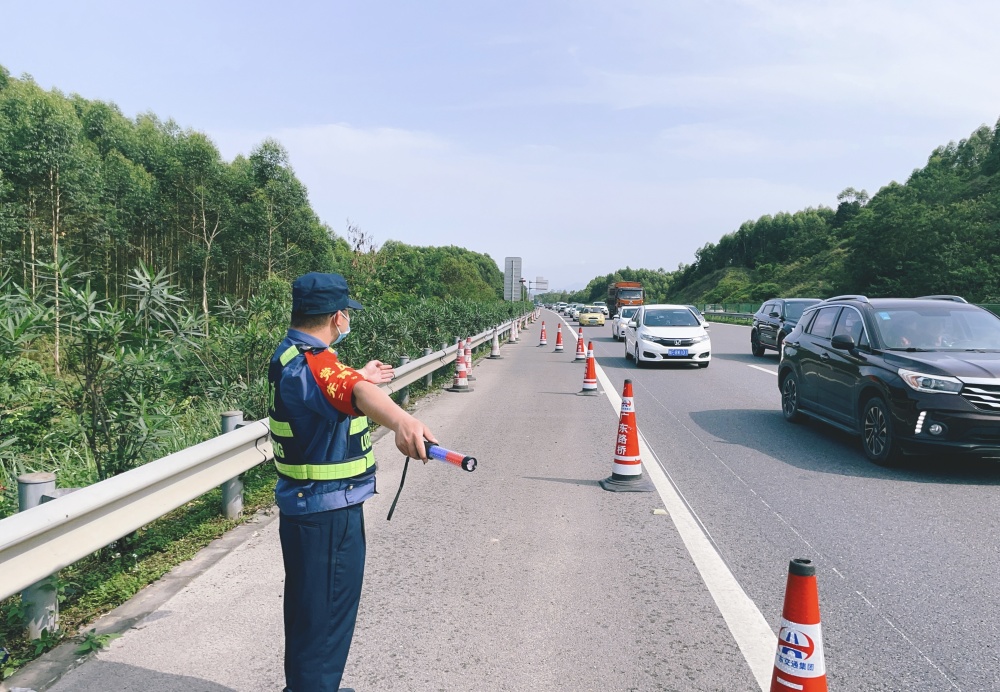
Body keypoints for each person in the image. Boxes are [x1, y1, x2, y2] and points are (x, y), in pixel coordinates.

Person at [267, 272, 437, 692]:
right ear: (337, 316)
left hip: (302, 509)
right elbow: (355, 391)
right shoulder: (318, 363)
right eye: (345, 316)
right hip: (329, 514)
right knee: (326, 622)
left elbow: (337, 384)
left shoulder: (289, 354)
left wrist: (357, 375)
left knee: (309, 617)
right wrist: (402, 420)